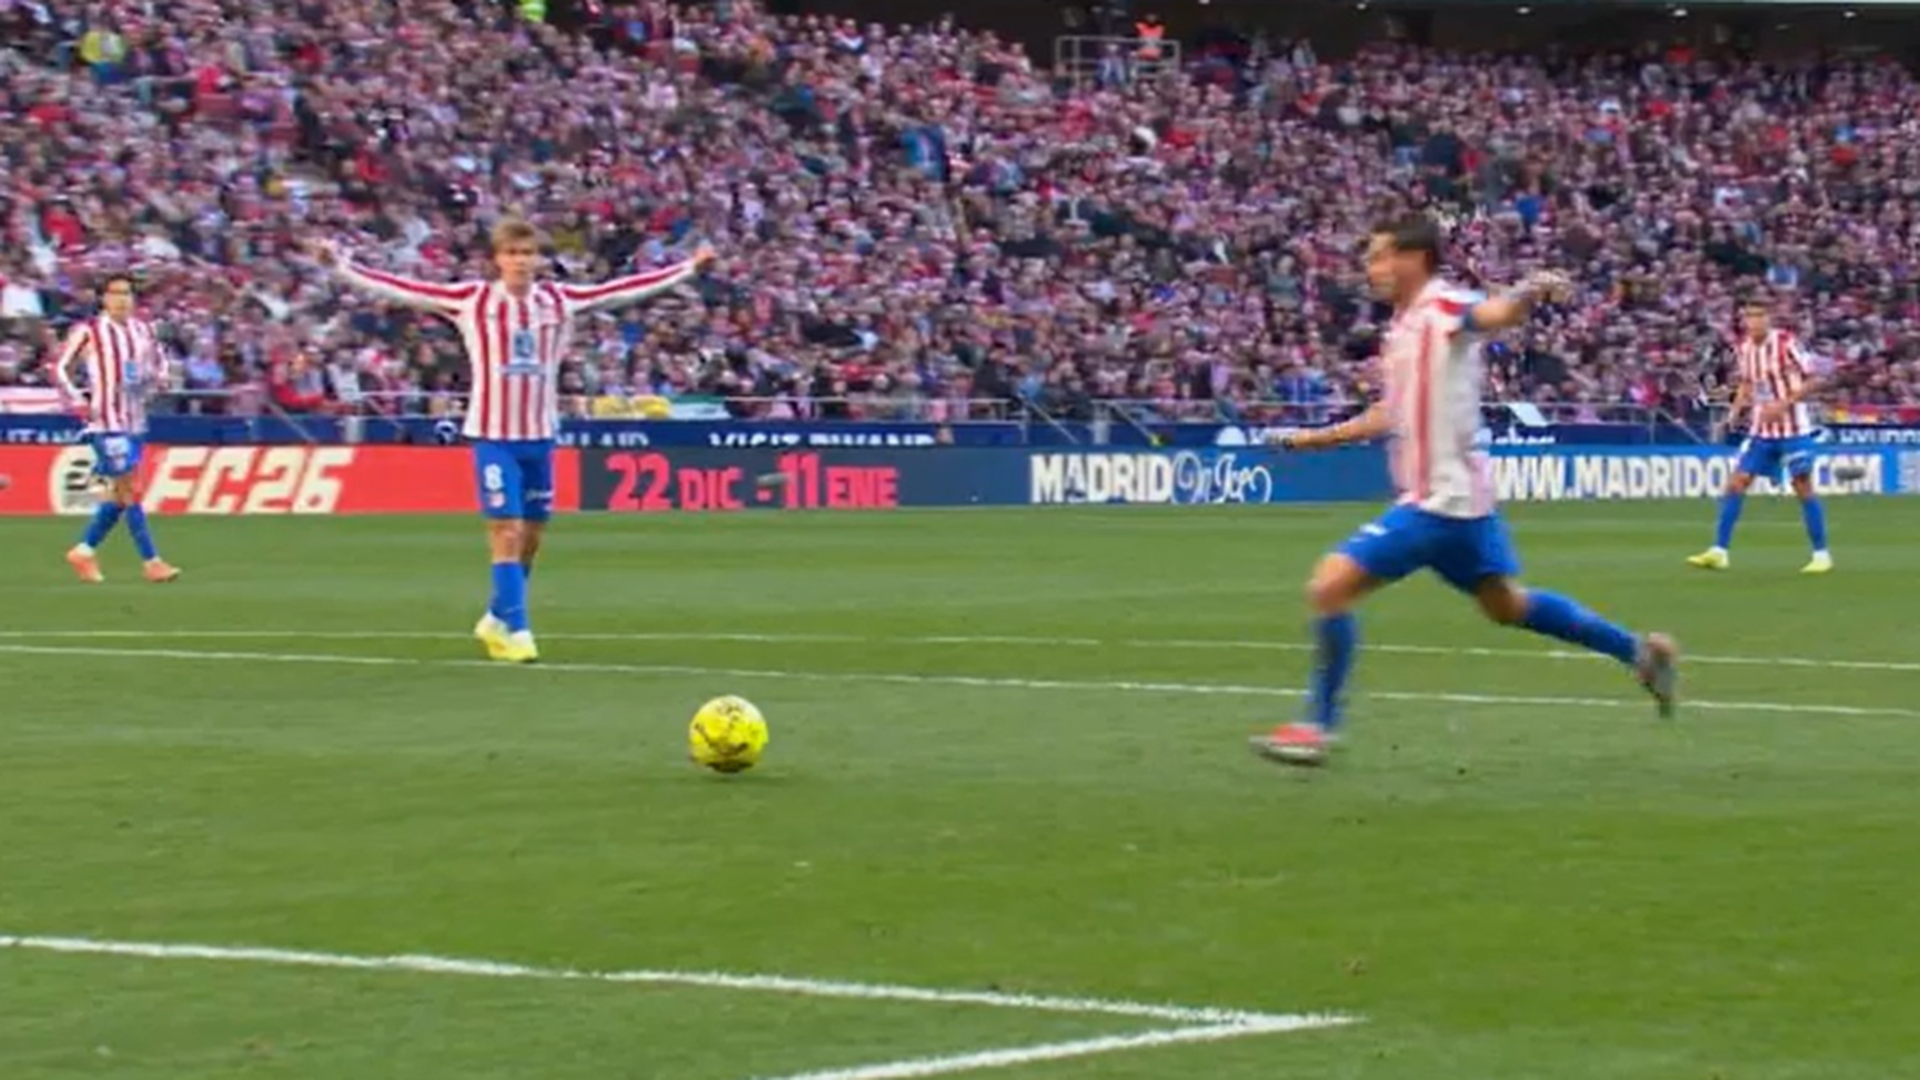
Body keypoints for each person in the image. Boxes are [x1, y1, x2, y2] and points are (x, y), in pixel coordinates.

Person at [1251, 215, 1679, 767]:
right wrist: (1315, 439)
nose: (1371, 268)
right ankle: (1640, 653)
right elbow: (1390, 412)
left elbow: (1494, 313)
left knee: (1329, 587)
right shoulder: (1402, 329)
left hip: (1438, 502)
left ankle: (1317, 726)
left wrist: (1528, 289)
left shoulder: (1442, 307)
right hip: (1466, 509)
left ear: (1416, 258)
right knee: (1507, 605)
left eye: (1381, 256)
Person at [311, 218, 715, 663]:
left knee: (533, 534)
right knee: (505, 528)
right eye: (512, 254)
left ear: (538, 259)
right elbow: (399, 288)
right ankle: (519, 631)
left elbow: (624, 290)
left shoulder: (560, 300)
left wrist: (688, 269)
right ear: (498, 259)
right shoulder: (471, 299)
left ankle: (496, 615)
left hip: (540, 435)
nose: (521, 262)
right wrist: (341, 266)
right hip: (493, 435)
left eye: (528, 254)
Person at [54, 273, 182, 585]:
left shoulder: (143, 330)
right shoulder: (90, 331)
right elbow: (59, 367)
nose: (122, 299)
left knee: (119, 495)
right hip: (105, 422)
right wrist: (76, 398)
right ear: (104, 299)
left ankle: (83, 551)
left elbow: (160, 360)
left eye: (127, 293)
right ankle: (152, 561)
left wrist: (163, 378)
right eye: (115, 293)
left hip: (134, 421)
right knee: (129, 489)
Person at [1687, 301, 1831, 574]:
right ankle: (1719, 551)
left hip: (1794, 429)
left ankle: (1821, 554)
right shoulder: (1743, 349)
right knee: (1736, 483)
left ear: (1769, 319)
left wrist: (1784, 403)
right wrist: (1732, 415)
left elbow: (1815, 379)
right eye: (1749, 316)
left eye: (1759, 316)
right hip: (1761, 430)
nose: (1754, 322)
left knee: (1803, 487)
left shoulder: (1787, 343)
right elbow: (1746, 384)